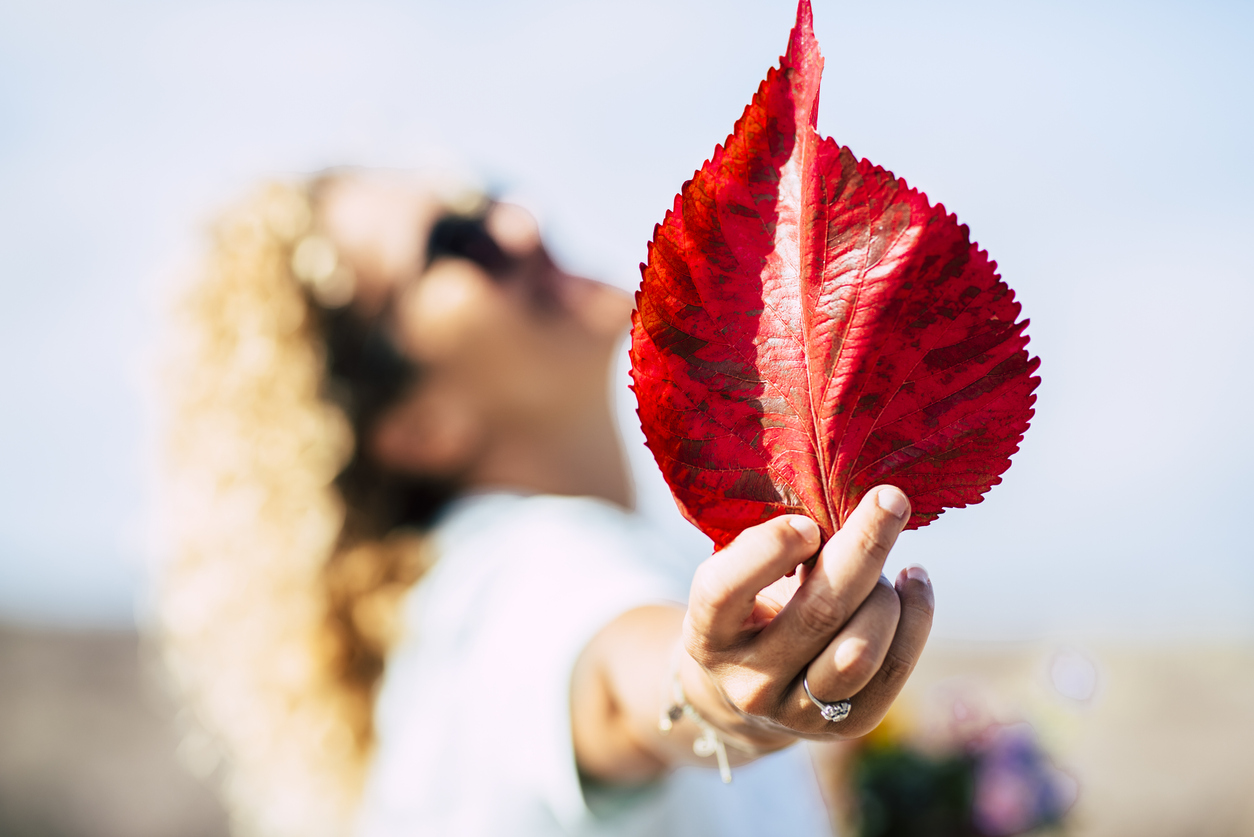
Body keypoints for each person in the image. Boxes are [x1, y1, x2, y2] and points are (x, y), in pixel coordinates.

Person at [155, 169, 935, 837]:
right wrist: (704, 695)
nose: (520, 223)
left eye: (486, 195)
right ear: (416, 425)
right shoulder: (502, 586)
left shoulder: (442, 622)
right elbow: (614, 677)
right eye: (458, 244)